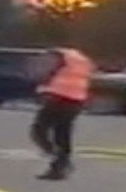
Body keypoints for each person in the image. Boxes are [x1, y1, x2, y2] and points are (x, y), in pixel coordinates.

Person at [30, 47, 93, 181]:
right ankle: (61, 165)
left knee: (39, 130)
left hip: (57, 98)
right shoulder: (83, 61)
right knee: (63, 134)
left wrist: (41, 88)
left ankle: (58, 158)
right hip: (76, 100)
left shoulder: (57, 56)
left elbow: (44, 73)